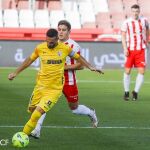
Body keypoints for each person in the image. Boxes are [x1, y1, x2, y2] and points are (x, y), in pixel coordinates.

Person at [8, 28, 103, 138]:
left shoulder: (65, 48)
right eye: (47, 41)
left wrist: (90, 67)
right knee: (32, 111)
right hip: (40, 87)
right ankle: (33, 130)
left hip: (55, 89)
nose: (49, 44)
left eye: (52, 42)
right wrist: (15, 73)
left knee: (39, 113)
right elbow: (29, 60)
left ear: (57, 39)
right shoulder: (40, 48)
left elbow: (79, 57)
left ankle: (24, 135)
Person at [30, 20, 101, 139]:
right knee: (43, 103)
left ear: (69, 32)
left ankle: (91, 112)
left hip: (69, 81)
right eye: (59, 29)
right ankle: (37, 130)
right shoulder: (52, 43)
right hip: (53, 80)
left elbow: (80, 65)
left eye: (63, 30)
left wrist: (62, 67)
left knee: (74, 108)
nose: (61, 32)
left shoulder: (74, 46)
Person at [121, 4, 149, 101]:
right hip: (130, 49)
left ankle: (135, 92)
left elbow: (147, 31)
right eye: (133, 11)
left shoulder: (144, 21)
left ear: (139, 11)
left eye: (136, 11)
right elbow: (123, 36)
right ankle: (126, 92)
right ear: (131, 12)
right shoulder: (126, 22)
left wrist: (147, 41)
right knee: (127, 71)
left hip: (141, 49)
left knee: (141, 71)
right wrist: (125, 48)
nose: (135, 13)